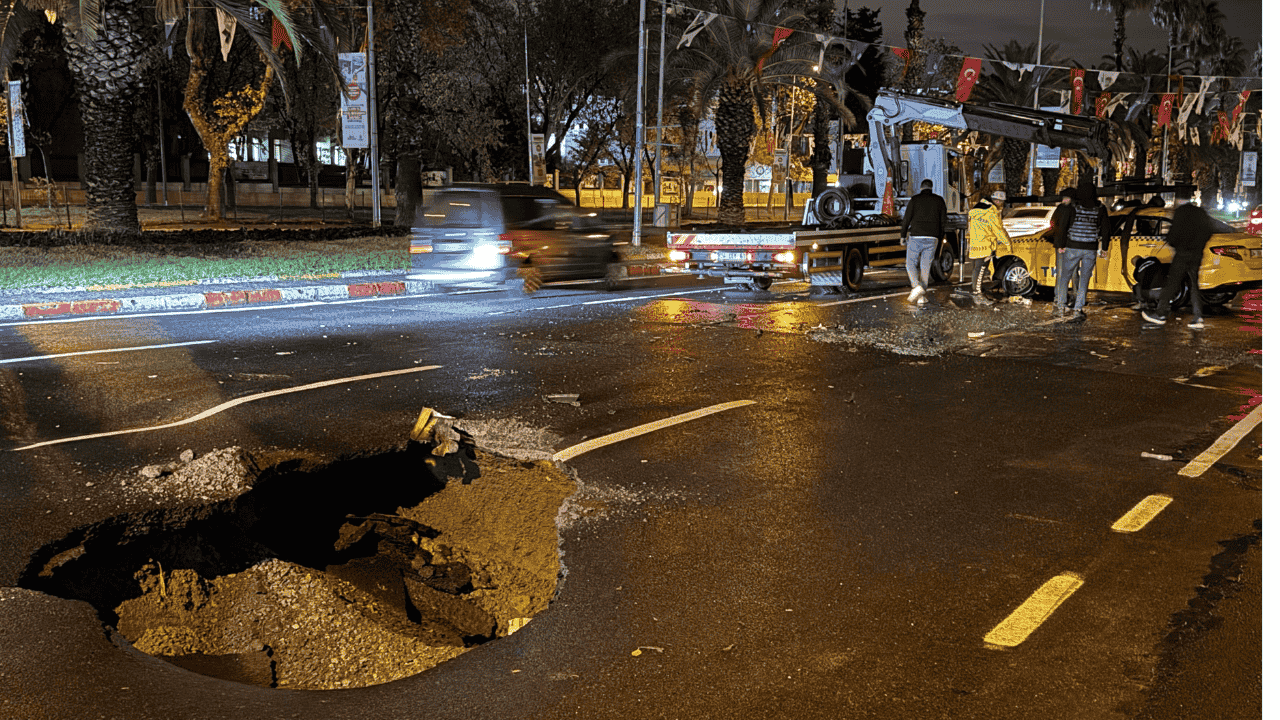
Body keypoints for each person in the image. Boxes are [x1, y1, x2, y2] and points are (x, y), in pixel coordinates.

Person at [1141, 194, 1211, 329]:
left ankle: (1160, 313)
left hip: (1183, 253)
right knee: (1194, 285)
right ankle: (1198, 317)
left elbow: (1173, 234)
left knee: (1172, 283)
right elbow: (1208, 232)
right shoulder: (1200, 213)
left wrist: (1175, 244)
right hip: (1197, 254)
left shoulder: (1181, 213)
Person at [1052, 182, 1111, 321]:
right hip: (1090, 248)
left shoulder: (1073, 207)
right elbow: (1105, 229)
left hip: (1072, 246)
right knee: (1084, 279)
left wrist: (1061, 244)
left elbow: (1063, 226)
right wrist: (1104, 248)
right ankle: (1078, 309)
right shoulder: (1100, 208)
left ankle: (1060, 306)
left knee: (1064, 277)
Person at [899, 178, 947, 305]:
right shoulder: (939, 200)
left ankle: (916, 287)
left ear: (921, 188)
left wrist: (903, 235)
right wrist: (940, 238)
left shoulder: (915, 200)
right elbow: (943, 223)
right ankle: (921, 297)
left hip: (916, 236)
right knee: (925, 267)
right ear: (932, 188)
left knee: (910, 263)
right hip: (933, 238)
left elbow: (906, 219)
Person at [965, 188, 1013, 305]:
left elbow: (970, 228)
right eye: (1001, 202)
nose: (1001, 205)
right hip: (986, 245)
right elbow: (997, 230)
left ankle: (977, 292)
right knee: (981, 270)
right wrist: (1007, 243)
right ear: (998, 201)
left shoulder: (975, 209)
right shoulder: (991, 211)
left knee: (976, 269)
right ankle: (978, 295)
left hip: (975, 244)